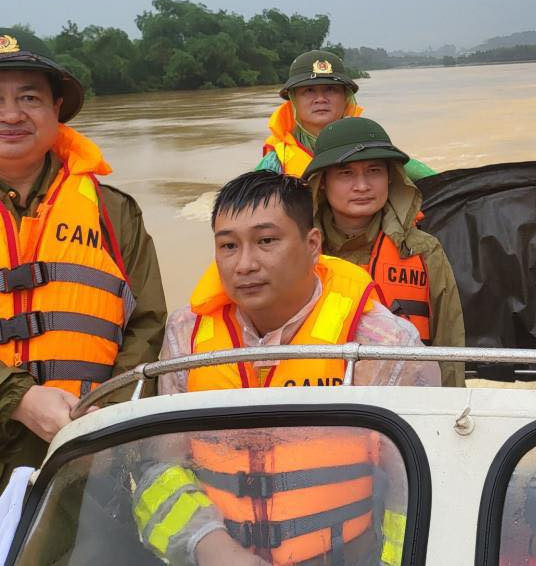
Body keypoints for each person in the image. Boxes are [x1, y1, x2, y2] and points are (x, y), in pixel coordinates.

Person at [135, 171, 439, 566]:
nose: (244, 264)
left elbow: (416, 484)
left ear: (312, 245)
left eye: (266, 241)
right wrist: (213, 549)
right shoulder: (185, 338)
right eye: (228, 245)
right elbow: (159, 468)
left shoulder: (382, 343)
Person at [0, 28, 167, 489]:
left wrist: (102, 420)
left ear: (56, 109)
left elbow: (148, 326)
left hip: (86, 457)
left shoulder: (113, 212)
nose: (11, 114)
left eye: (29, 98)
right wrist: (16, 398)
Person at [303, 117, 466, 387]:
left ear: (391, 179)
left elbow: (448, 348)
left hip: (404, 405)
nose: (362, 186)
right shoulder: (297, 253)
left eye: (374, 171)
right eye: (346, 174)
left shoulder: (425, 250)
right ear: (322, 183)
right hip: (319, 403)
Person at [258, 50, 435, 181]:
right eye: (309, 91)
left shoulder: (373, 146)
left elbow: (438, 183)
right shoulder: (276, 162)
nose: (320, 99)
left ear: (346, 98)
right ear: (293, 101)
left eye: (331, 89)